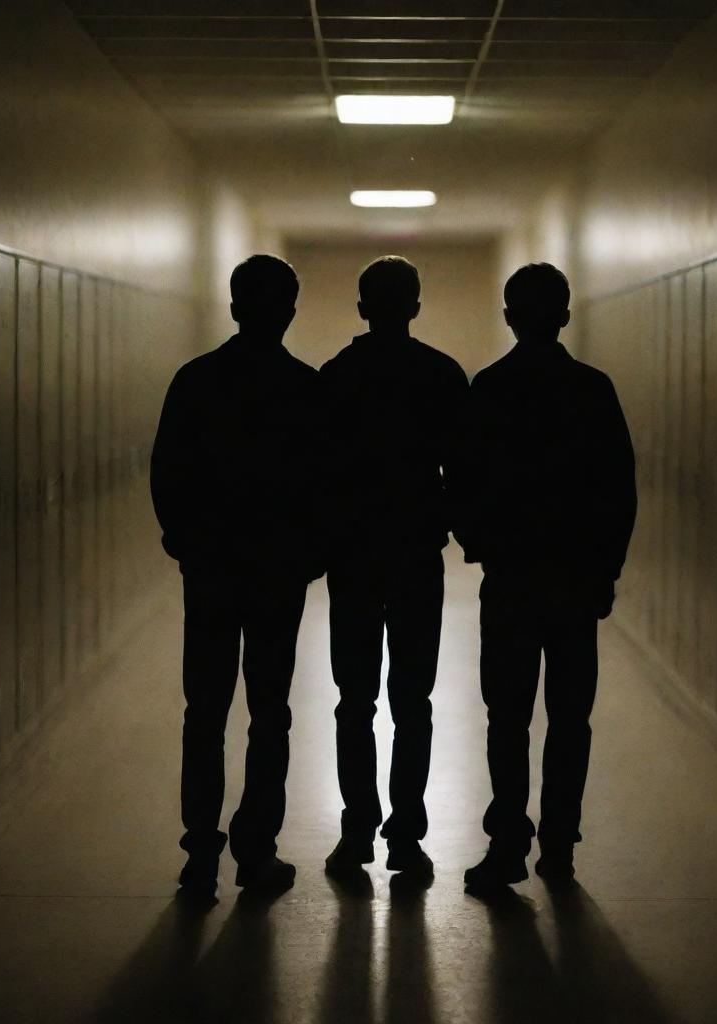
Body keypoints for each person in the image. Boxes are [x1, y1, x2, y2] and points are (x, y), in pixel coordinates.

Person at [150, 254, 325, 902]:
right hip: (278, 574)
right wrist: (311, 554)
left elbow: (167, 472)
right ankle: (257, 853)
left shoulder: (196, 381)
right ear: (289, 311)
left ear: (233, 307)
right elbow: (324, 486)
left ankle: (200, 856)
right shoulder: (305, 388)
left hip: (214, 572)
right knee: (269, 713)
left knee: (206, 711)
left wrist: (187, 543)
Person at [458, 262, 636, 893]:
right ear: (565, 314)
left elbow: (465, 483)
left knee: (506, 716)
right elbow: (619, 490)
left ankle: (508, 844)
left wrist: (480, 543)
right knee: (569, 718)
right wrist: (604, 572)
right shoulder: (592, 389)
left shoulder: (489, 388)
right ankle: (559, 846)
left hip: (511, 582)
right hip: (572, 584)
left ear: (510, 317)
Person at [319, 255, 470, 881]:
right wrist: (459, 531)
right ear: (415, 307)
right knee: (413, 699)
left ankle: (357, 831)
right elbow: (464, 470)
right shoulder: (439, 375)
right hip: (414, 556)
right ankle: (405, 834)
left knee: (354, 699)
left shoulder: (336, 376)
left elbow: (316, 476)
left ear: (361, 307)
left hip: (353, 557)